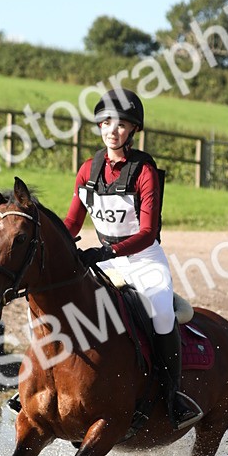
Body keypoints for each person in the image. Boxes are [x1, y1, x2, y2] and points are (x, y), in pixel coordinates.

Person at [63, 88, 202, 431]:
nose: (113, 130)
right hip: (105, 260)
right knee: (63, 303)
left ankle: (172, 395)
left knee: (161, 312)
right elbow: (72, 223)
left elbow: (148, 232)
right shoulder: (87, 169)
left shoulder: (144, 171)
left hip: (143, 259)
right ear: (99, 126)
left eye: (122, 124)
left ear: (133, 130)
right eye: (107, 123)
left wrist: (107, 252)